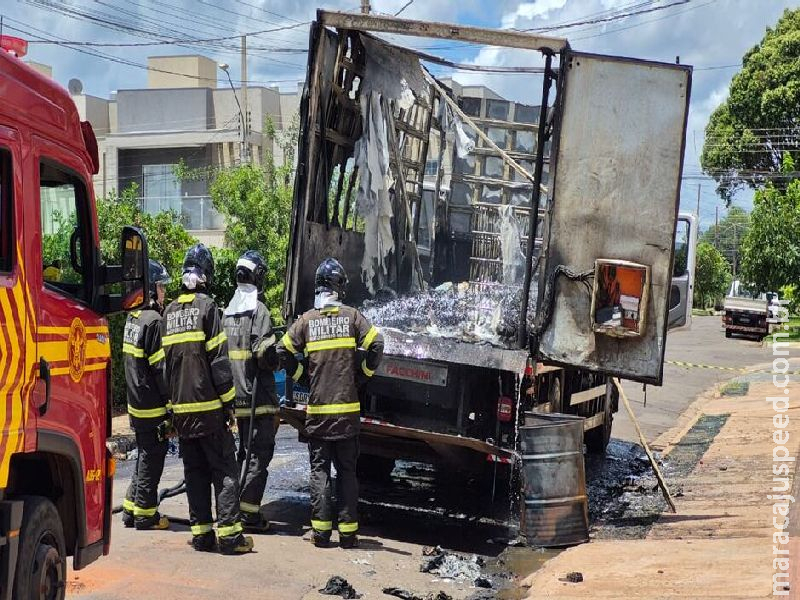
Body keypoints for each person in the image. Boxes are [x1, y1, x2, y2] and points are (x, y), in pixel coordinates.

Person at [277, 257, 383, 549]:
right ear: (340, 287)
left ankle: (321, 534)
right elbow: (377, 343)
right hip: (347, 415)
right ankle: (348, 534)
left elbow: (282, 349)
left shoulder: (307, 320)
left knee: (320, 472)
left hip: (319, 416)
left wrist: (303, 378)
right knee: (347, 472)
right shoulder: (352, 317)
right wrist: (362, 376)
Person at [162, 244, 253, 555]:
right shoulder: (208, 308)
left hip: (182, 414)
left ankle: (202, 535)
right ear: (206, 275)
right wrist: (230, 405)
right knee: (225, 470)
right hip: (209, 411)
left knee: (195, 474)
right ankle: (230, 537)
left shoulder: (169, 312)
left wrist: (170, 410)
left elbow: (164, 368)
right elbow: (218, 362)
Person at [223, 250, 279, 533]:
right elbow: (262, 353)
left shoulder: (227, 312)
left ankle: (233, 508)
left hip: (236, 399)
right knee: (258, 455)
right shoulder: (259, 311)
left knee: (242, 455)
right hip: (258, 400)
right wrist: (276, 350)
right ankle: (249, 514)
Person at [121, 259, 172, 531]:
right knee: (153, 456)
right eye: (162, 286)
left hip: (136, 404)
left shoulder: (133, 318)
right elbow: (160, 369)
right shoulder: (153, 321)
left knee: (144, 454)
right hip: (152, 406)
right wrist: (172, 403)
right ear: (151, 289)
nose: (164, 292)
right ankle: (145, 514)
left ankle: (131, 507)